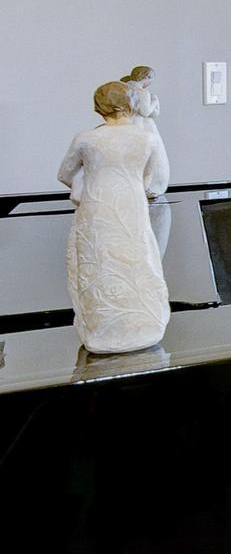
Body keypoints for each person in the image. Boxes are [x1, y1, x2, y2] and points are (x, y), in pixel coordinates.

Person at [58, 81, 172, 353]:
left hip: (96, 207)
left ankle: (102, 327)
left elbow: (64, 174)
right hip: (131, 206)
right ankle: (142, 323)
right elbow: (148, 177)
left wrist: (86, 182)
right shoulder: (147, 138)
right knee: (137, 257)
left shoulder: (86, 138)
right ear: (132, 104)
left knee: (98, 261)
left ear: (99, 107)